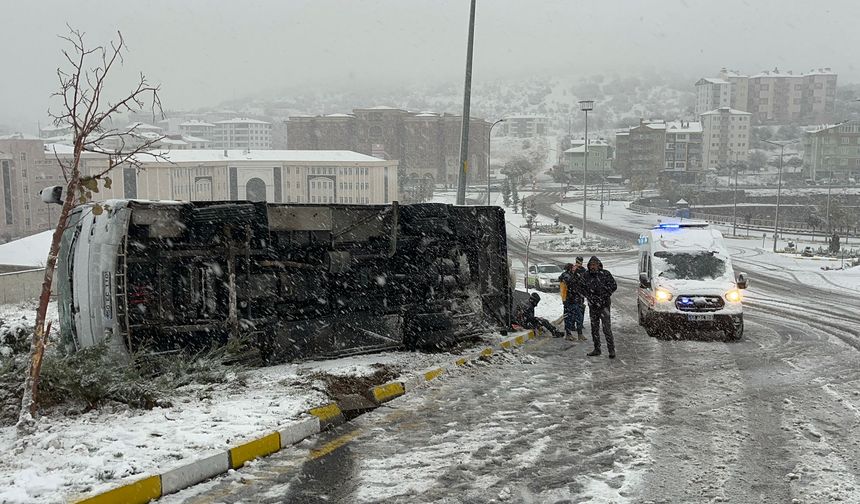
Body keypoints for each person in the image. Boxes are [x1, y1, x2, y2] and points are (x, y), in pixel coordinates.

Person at [582, 256, 618, 358]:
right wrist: (589, 296)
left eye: (594, 265)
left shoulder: (605, 274)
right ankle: (597, 349)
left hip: (604, 306)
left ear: (599, 265)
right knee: (594, 329)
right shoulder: (586, 275)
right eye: (591, 265)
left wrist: (604, 295)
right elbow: (581, 287)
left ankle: (611, 350)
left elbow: (613, 286)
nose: (593, 267)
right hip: (593, 306)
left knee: (607, 328)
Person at [558, 258, 587, 341]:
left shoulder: (571, 275)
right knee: (570, 317)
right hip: (569, 300)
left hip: (573, 299)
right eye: (573, 267)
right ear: (570, 269)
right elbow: (572, 285)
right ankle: (570, 334)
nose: (575, 268)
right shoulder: (567, 276)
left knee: (576, 316)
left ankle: (578, 334)